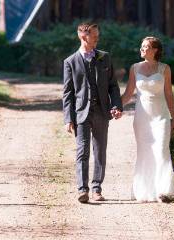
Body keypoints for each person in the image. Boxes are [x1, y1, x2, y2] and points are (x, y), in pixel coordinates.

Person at [63, 22, 123, 203]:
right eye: (94, 36)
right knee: (82, 151)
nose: (97, 38)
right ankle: (82, 189)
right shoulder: (70, 62)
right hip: (81, 113)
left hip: (102, 112)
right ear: (83, 37)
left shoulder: (105, 58)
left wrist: (117, 106)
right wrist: (68, 118)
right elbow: (68, 93)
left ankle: (97, 188)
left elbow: (113, 86)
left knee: (100, 151)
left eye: (98, 35)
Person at [121, 36, 174, 203]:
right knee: (145, 152)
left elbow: (169, 94)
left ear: (155, 50)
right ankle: (144, 190)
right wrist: (115, 106)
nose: (142, 49)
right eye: (142, 46)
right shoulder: (135, 68)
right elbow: (128, 93)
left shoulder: (164, 69)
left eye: (145, 47)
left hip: (160, 115)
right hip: (142, 118)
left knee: (161, 149)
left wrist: (173, 118)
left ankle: (164, 191)